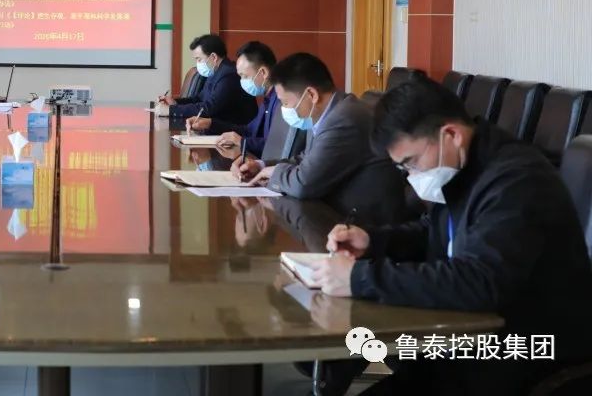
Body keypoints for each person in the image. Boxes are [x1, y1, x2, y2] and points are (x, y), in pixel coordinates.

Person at [314, 78, 592, 396]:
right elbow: (436, 234)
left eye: (411, 163)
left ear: (451, 135)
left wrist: (360, 278)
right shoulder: (464, 165)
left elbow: (479, 281)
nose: (411, 176)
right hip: (466, 338)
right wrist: (373, 241)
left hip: (524, 351)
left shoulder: (517, 181)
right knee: (352, 354)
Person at [241, 52, 408, 226]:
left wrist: (275, 173)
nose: (285, 109)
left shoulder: (344, 119)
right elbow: (305, 159)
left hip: (367, 226)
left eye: (285, 103)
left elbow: (303, 184)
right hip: (338, 215)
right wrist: (261, 166)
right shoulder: (330, 112)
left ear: (311, 95)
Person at [187, 41, 279, 159]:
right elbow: (249, 130)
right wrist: (210, 123)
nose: (242, 81)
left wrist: (242, 141)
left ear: (263, 72)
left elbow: (277, 146)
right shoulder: (268, 98)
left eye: (245, 76)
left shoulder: (281, 101)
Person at [158, 33, 257, 125]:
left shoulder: (229, 75)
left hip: (235, 130)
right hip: (218, 127)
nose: (197, 63)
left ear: (213, 57)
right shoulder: (216, 72)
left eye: (199, 59)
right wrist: (175, 103)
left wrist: (171, 110)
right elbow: (199, 99)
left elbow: (209, 108)